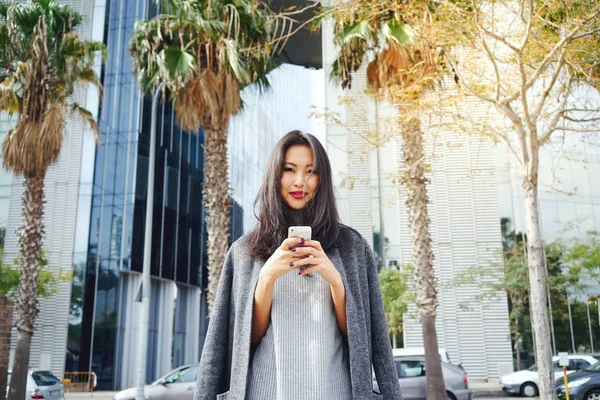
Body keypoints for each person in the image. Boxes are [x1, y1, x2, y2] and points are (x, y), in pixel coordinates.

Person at [194, 130, 402, 400]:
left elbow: (369, 340)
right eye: (289, 170)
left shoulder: (352, 247)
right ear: (275, 176)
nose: (300, 181)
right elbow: (235, 343)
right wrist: (267, 277)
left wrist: (336, 282)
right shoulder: (245, 252)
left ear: (322, 179)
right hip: (266, 392)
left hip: (334, 392)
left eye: (311, 171)